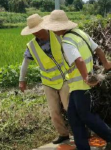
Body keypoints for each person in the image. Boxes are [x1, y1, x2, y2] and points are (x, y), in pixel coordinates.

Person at [42, 10, 111, 150]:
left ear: (59, 27)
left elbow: (79, 60)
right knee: (73, 116)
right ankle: (83, 146)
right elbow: (99, 50)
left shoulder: (67, 41)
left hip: (80, 84)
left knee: (85, 115)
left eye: (52, 27)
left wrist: (86, 78)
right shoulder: (80, 33)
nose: (51, 30)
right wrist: (106, 64)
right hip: (77, 85)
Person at [19, 14, 71, 144]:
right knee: (54, 111)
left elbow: (69, 52)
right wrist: (22, 80)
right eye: (33, 31)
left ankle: (80, 132)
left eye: (37, 30)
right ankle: (63, 134)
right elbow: (25, 63)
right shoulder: (31, 46)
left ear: (43, 27)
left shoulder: (56, 35)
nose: (35, 33)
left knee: (69, 107)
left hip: (64, 78)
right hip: (48, 82)